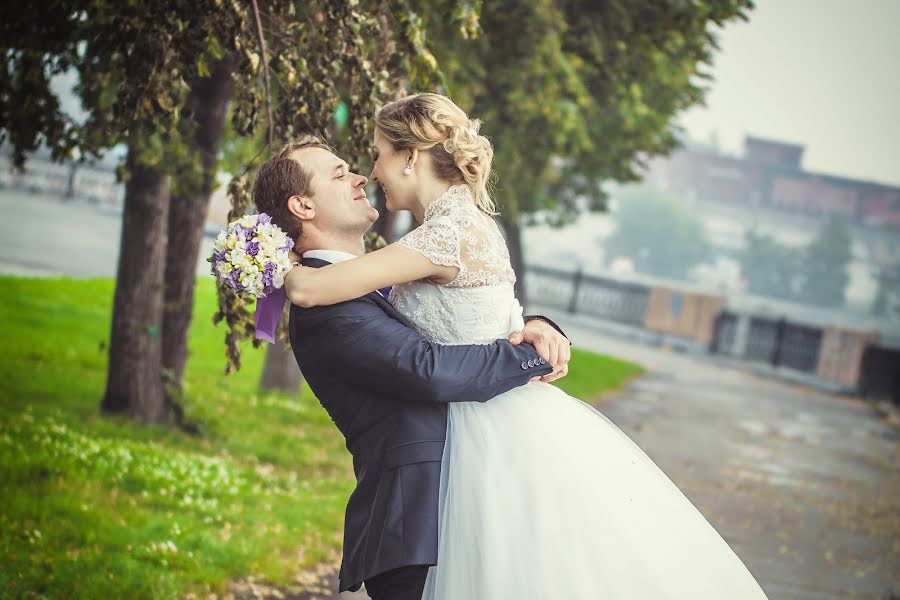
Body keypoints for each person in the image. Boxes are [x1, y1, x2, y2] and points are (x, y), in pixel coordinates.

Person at [283, 93, 770, 599]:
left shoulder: (439, 238)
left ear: (411, 157)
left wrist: (274, 267)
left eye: (379, 152)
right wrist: (535, 332)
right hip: (500, 420)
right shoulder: (462, 228)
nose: (372, 170)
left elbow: (309, 289)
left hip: (482, 431)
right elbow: (489, 315)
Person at [251, 134, 572, 600]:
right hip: (417, 531)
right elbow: (430, 369)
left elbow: (460, 317)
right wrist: (532, 355)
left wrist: (534, 324)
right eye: (339, 174)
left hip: (461, 504)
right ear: (302, 206)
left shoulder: (367, 282)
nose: (361, 175)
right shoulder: (327, 311)